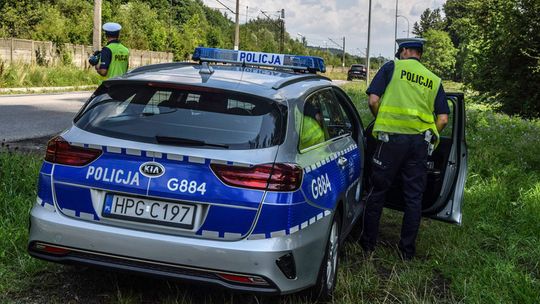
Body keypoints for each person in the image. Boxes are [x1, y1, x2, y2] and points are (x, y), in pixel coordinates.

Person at [360, 37, 450, 260]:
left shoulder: (393, 67)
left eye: (400, 52)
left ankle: (368, 243)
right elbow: (443, 118)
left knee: (377, 190)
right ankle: (407, 251)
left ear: (405, 51)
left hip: (390, 140)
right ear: (419, 53)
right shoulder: (434, 79)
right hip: (418, 144)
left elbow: (373, 100)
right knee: (413, 198)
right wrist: (431, 135)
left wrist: (382, 120)